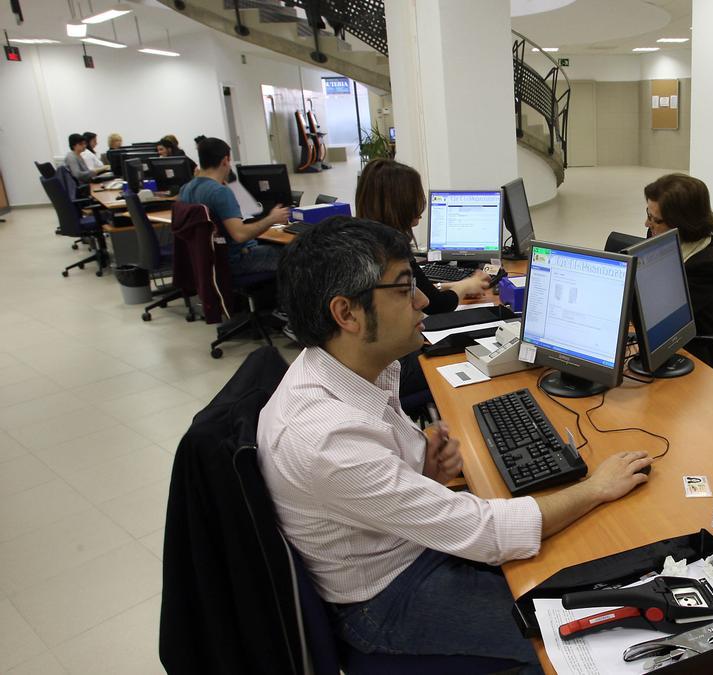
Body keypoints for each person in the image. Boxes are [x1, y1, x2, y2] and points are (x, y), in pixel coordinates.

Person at [259, 217, 651, 668]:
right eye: (404, 288)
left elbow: (370, 496)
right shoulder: (324, 437)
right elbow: (486, 533)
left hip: (401, 544)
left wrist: (422, 473)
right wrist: (595, 487)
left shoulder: (344, 370)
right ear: (346, 313)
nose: (424, 300)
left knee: (593, 571)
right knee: (589, 641)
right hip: (385, 598)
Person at [354, 158, 491, 313]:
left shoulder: (364, 241)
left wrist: (450, 286)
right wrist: (465, 286)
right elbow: (437, 305)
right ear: (401, 204)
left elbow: (417, 289)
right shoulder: (392, 251)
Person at [643, 173, 713, 370]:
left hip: (692, 351)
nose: (647, 224)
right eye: (648, 214)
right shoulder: (659, 234)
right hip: (658, 337)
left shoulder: (707, 264)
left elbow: (665, 314)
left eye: (655, 219)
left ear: (682, 222)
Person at [178, 137, 288, 281]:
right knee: (296, 253)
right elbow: (240, 235)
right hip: (236, 260)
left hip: (209, 259)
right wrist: (272, 219)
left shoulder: (186, 189)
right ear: (225, 161)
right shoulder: (220, 192)